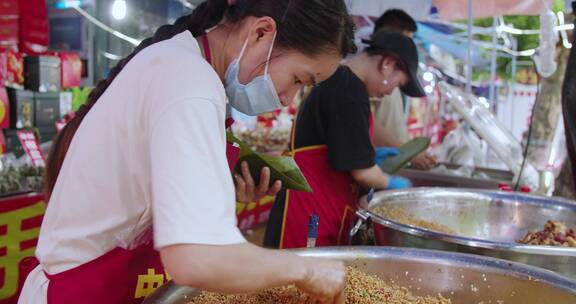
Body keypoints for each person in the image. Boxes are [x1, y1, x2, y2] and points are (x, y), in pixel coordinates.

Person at [18, 1, 356, 303]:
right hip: (84, 291)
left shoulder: (183, 64)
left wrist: (218, 189)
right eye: (299, 80)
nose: (287, 98)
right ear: (261, 32)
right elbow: (196, 257)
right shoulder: (189, 82)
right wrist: (307, 271)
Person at [264, 31, 425, 249]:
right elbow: (363, 173)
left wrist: (369, 156)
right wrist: (397, 187)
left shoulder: (344, 82)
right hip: (308, 211)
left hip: (321, 207)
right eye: (397, 84)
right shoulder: (348, 89)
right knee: (293, 279)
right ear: (387, 64)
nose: (390, 92)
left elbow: (341, 147)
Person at [372, 9, 437, 170]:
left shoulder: (388, 82)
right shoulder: (364, 81)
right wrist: (406, 152)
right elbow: (366, 124)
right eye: (406, 43)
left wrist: (408, 152)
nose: (410, 50)